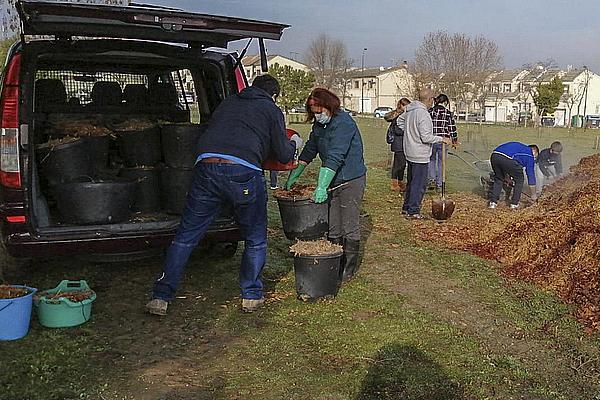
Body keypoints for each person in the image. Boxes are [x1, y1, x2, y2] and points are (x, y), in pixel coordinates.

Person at [146, 74, 303, 315]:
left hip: (206, 166)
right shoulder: (270, 109)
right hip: (242, 171)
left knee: (186, 237)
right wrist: (294, 143)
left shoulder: (228, 102)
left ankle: (161, 297)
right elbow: (282, 154)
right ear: (274, 95)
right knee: (255, 237)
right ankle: (251, 295)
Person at [285, 88, 367, 281]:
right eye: (314, 112)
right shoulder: (319, 127)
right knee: (333, 226)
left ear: (330, 107)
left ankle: (348, 268)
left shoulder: (343, 124)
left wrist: (321, 186)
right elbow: (309, 151)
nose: (317, 115)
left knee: (349, 224)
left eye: (319, 111)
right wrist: (294, 174)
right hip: (332, 180)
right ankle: (334, 262)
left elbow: (335, 156)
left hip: (350, 179)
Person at [397, 88, 452, 219]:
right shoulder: (423, 114)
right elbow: (426, 138)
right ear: (429, 100)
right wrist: (442, 139)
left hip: (409, 151)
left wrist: (411, 133)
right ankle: (413, 212)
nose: (433, 101)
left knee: (411, 181)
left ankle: (407, 207)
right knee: (419, 184)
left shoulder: (410, 109)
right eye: (433, 99)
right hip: (419, 154)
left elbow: (399, 122)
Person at [488, 141, 539, 210]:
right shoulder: (529, 155)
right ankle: (514, 204)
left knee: (499, 179)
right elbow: (530, 175)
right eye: (535, 156)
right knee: (519, 180)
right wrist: (533, 194)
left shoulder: (520, 148)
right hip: (507, 159)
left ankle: (493, 203)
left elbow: (504, 163)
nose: (534, 159)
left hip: (494, 155)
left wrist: (507, 178)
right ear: (534, 151)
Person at [428, 94, 457, 191]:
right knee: (441, 162)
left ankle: (431, 179)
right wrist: (455, 140)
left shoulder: (430, 111)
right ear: (445, 102)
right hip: (444, 141)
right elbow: (452, 128)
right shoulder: (447, 113)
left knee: (431, 160)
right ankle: (439, 184)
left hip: (432, 139)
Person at [384, 98, 411, 192]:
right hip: (398, 143)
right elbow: (398, 130)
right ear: (402, 106)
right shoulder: (398, 117)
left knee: (402, 165)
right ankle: (395, 183)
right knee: (399, 164)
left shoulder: (404, 115)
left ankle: (400, 182)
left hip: (403, 143)